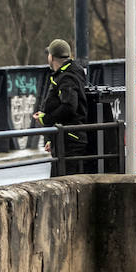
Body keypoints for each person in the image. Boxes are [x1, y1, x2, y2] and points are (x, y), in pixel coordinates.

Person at [34, 38, 90, 175]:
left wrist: (46, 119)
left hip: (70, 139)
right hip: (64, 137)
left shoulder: (67, 78)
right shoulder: (67, 74)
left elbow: (69, 106)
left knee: (64, 181)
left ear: (51, 57)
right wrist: (51, 138)